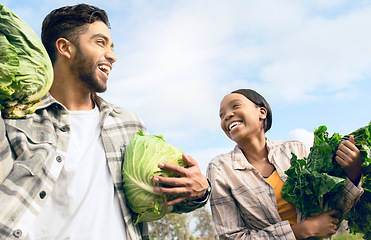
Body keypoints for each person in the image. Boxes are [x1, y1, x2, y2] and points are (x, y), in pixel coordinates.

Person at [0, 4, 210, 240]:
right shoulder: (15, 119)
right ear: (64, 48)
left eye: (111, 46)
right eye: (100, 43)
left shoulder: (129, 124)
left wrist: (199, 192)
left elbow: (159, 195)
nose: (112, 55)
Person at [207, 89, 364, 239]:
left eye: (235, 106)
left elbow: (329, 212)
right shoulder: (220, 169)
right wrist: (300, 231)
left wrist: (354, 173)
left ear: (262, 112)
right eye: (221, 115)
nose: (227, 115)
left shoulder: (294, 149)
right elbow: (232, 237)